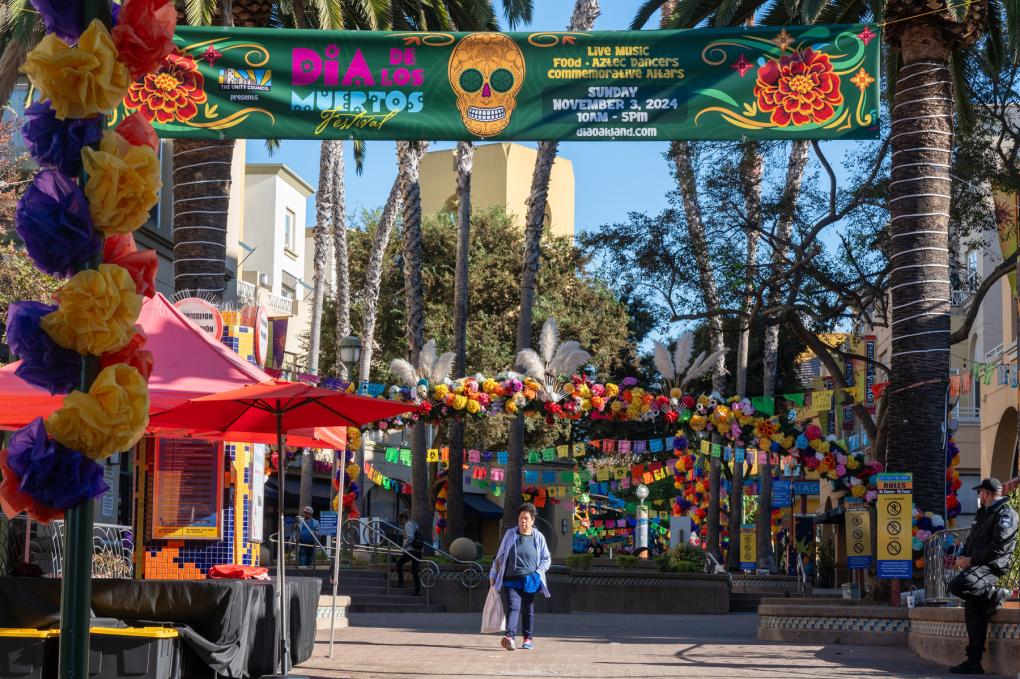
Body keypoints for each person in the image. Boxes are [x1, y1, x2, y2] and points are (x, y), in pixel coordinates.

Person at [947, 477, 1018, 674]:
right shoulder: (983, 513)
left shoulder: (1006, 514)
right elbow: (971, 540)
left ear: (986, 493)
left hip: (992, 567)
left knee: (957, 586)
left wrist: (972, 559)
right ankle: (974, 661)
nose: (979, 496)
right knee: (974, 609)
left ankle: (996, 594)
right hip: (978, 565)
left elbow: (999, 547)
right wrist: (962, 557)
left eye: (981, 493)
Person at [489, 503, 552, 651]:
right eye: (520, 518)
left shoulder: (538, 537)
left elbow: (546, 558)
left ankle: (527, 639)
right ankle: (510, 637)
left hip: (530, 579)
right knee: (513, 607)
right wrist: (493, 573)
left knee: (528, 609)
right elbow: (500, 556)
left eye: (526, 518)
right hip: (511, 579)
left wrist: (538, 572)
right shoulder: (510, 534)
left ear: (532, 520)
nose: (523, 521)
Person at [395, 511, 423, 595]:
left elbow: (410, 537)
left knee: (399, 564)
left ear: (404, 518)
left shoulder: (408, 524)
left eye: (400, 521)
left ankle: (401, 582)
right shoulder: (415, 524)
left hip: (411, 550)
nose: (400, 523)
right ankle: (418, 591)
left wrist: (403, 545)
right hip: (418, 550)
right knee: (415, 571)